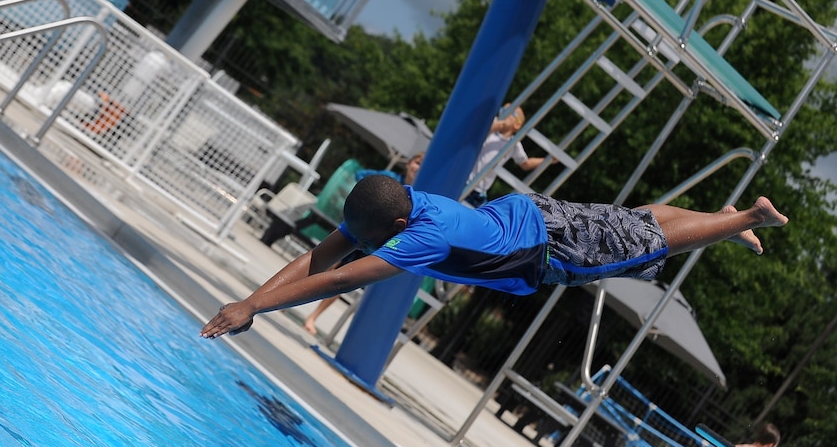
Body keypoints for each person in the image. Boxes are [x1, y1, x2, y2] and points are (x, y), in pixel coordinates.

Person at [200, 173, 788, 339]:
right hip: (526, 211)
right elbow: (322, 254)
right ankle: (727, 222)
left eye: (377, 240)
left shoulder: (417, 240)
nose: (371, 245)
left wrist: (255, 308)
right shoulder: (398, 197)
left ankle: (744, 217)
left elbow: (336, 279)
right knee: (639, 220)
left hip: (544, 246)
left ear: (397, 227)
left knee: (647, 241)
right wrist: (250, 302)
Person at [301, 153, 422, 335]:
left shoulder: (419, 196)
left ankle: (313, 316)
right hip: (363, 227)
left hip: (380, 239)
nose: (418, 168)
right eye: (416, 163)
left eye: (422, 165)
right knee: (329, 263)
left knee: (344, 277)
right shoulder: (390, 180)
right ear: (408, 164)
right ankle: (294, 298)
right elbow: (361, 175)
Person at [464, 107, 552, 207]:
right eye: (503, 110)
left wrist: (548, 160)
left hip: (479, 191)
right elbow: (484, 130)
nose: (503, 113)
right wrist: (499, 124)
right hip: (465, 182)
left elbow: (525, 164)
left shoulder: (513, 143)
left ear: (517, 125)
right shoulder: (492, 131)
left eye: (510, 112)